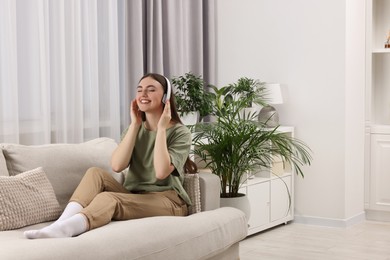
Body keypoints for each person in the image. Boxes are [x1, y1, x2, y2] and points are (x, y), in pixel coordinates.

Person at [24, 73, 197, 239]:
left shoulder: (180, 133)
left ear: (165, 97)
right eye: (139, 89)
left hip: (168, 200)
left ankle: (67, 230)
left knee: (108, 198)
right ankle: (59, 225)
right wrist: (135, 125)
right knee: (95, 173)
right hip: (135, 195)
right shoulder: (133, 129)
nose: (143, 94)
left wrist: (161, 128)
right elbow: (117, 166)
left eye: (151, 89)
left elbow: (161, 172)